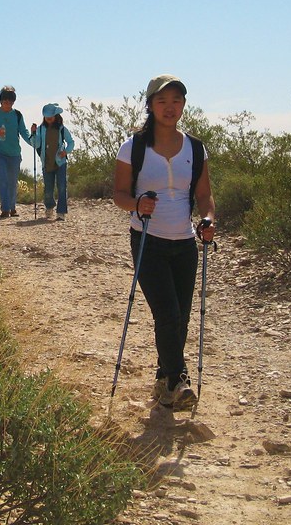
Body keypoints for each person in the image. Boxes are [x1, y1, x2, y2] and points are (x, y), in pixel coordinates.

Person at [113, 74, 216, 411]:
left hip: (185, 242)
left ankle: (163, 379)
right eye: (162, 101)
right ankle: (179, 379)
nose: (170, 108)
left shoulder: (196, 148)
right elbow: (119, 194)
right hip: (147, 240)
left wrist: (208, 220)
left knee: (180, 317)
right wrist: (137, 204)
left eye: (176, 101)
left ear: (184, 105)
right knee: (167, 312)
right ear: (150, 105)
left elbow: (204, 195)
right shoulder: (133, 148)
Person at [0, 85, 31, 218]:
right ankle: (5, 209)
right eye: (5, 100)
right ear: (1, 100)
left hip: (14, 152)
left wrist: (34, 142)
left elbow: (23, 132)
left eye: (10, 100)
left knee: (12, 180)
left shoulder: (17, 115)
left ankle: (12, 207)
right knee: (2, 178)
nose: (8, 103)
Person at [29, 103, 74, 221]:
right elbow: (36, 144)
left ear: (55, 116)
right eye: (46, 117)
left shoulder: (62, 129)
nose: (48, 119)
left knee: (62, 187)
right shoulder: (40, 129)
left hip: (60, 162)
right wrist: (33, 133)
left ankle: (61, 212)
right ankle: (49, 207)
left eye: (50, 117)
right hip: (47, 162)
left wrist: (66, 152)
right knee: (48, 188)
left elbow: (71, 142)